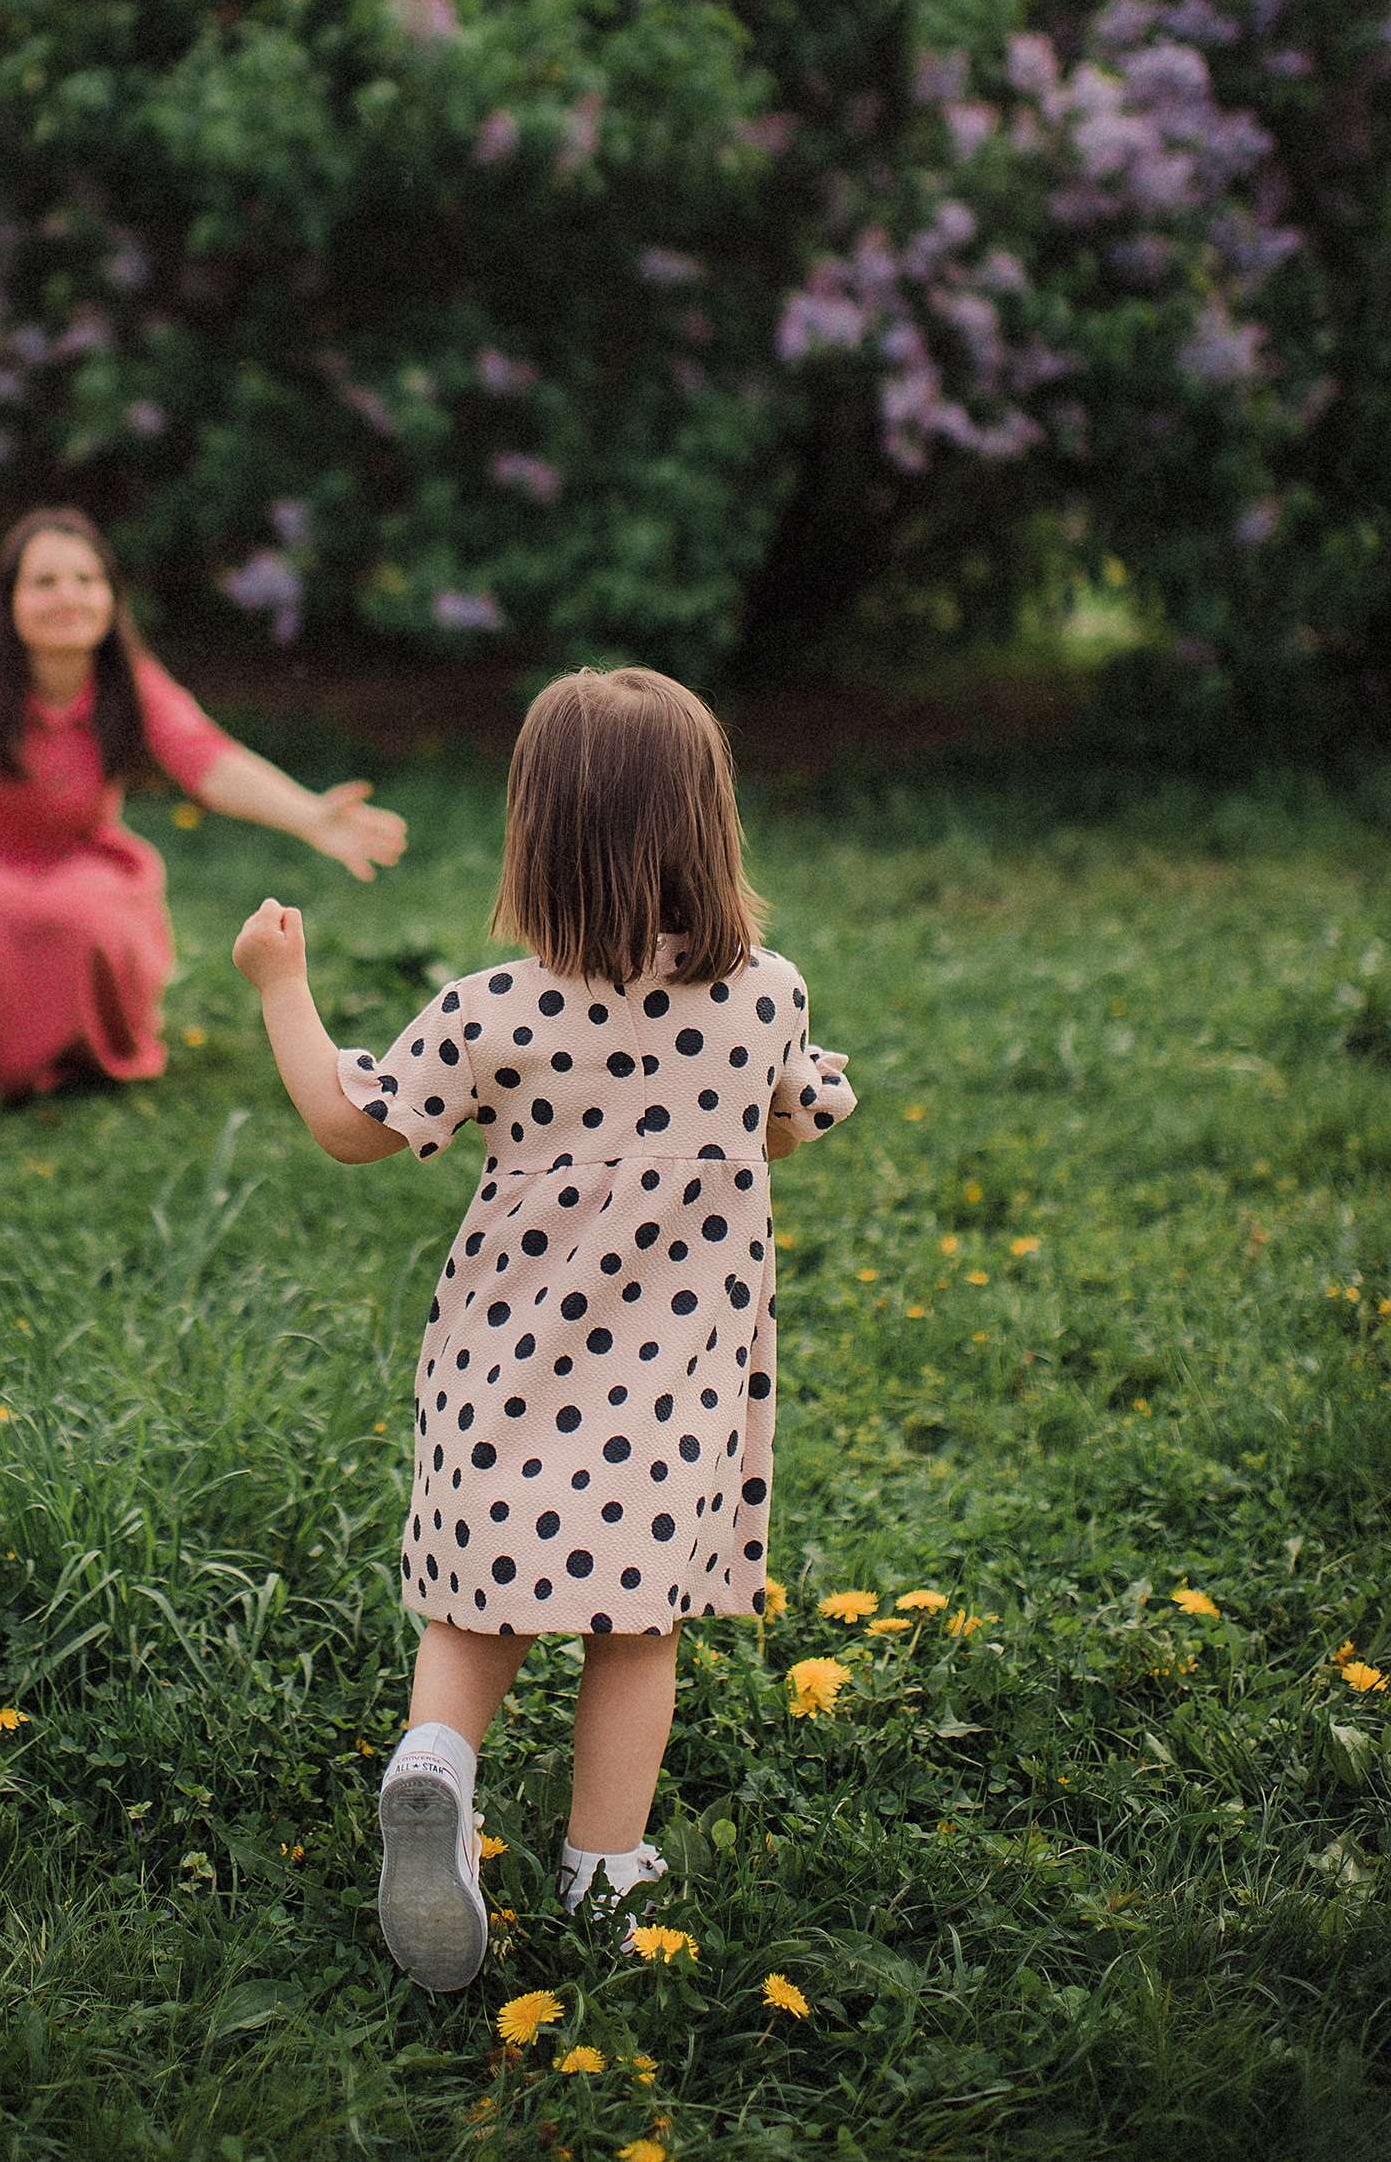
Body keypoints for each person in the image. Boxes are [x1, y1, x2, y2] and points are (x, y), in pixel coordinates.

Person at [232, 663, 856, 1990]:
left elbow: (354, 1127)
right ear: (709, 827)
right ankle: (603, 1870)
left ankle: (438, 1765)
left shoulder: (491, 1011)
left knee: (474, 1609)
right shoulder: (767, 998)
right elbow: (790, 1124)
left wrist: (279, 982)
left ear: (535, 837)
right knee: (637, 1629)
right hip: (671, 1395)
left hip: (504, 1372)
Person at [0, 506, 405, 1103]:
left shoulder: (131, 680)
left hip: (85, 859)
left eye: (86, 579)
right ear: (10, 602)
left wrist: (309, 816)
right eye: (44, 582)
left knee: (84, 911)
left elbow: (206, 757)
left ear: (110, 596)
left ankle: (82, 1055)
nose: (67, 596)